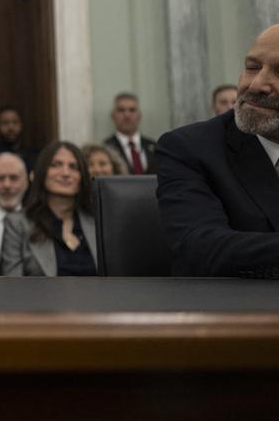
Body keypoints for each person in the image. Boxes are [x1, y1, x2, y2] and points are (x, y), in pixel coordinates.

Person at [157, 25, 279, 277]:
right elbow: (199, 249)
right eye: (252, 67)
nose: (256, 85)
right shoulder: (190, 147)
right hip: (241, 311)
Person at [1, 141, 97, 276]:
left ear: (82, 176)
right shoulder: (17, 223)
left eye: (73, 167)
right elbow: (11, 285)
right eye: (55, 165)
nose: (65, 173)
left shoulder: (98, 222)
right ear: (41, 173)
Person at [0, 152, 29, 262]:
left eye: (14, 178)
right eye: (0, 178)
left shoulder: (37, 219)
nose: (7, 185)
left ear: (26, 182)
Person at [104, 93, 157, 175]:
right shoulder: (105, 148)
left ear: (139, 116)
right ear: (113, 116)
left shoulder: (154, 147)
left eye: (132, 110)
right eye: (121, 110)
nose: (127, 115)